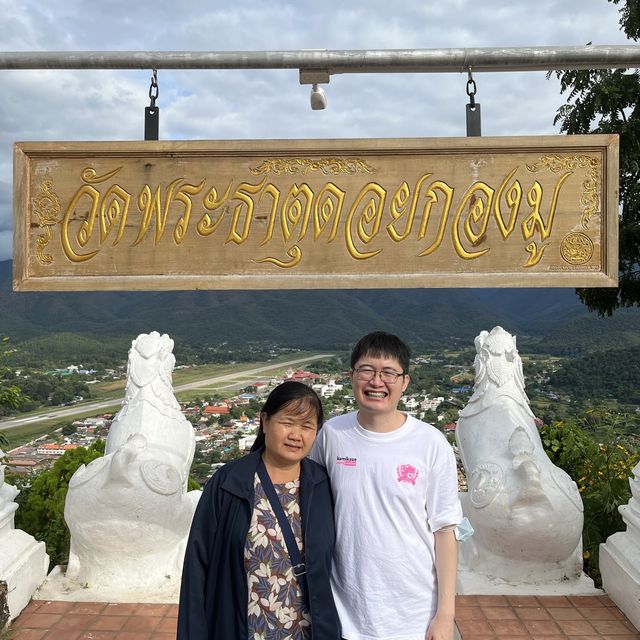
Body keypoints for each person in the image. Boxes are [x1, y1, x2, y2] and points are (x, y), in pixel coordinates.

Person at [310, 331, 463, 640]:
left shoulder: (430, 443)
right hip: (345, 614)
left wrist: (445, 616)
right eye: (366, 370)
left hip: (414, 615)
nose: (376, 382)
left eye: (388, 373)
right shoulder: (331, 435)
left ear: (404, 382)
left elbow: (445, 532)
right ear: (351, 376)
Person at [178, 381, 341, 640]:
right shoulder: (229, 483)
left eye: (307, 426)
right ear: (265, 422)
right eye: (287, 422)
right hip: (240, 629)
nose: (296, 435)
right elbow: (198, 568)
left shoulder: (323, 485)